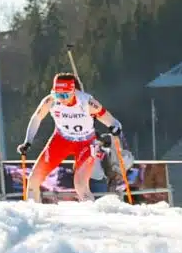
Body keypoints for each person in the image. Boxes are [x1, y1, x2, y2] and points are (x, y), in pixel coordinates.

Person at [17, 72, 123, 203]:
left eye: (65, 95)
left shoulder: (86, 102)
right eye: (57, 94)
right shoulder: (50, 101)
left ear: (73, 91)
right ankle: (32, 215)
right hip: (61, 140)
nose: (61, 99)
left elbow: (112, 121)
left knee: (80, 185)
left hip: (86, 142)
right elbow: (37, 118)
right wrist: (27, 142)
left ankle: (92, 216)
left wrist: (114, 128)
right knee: (33, 179)